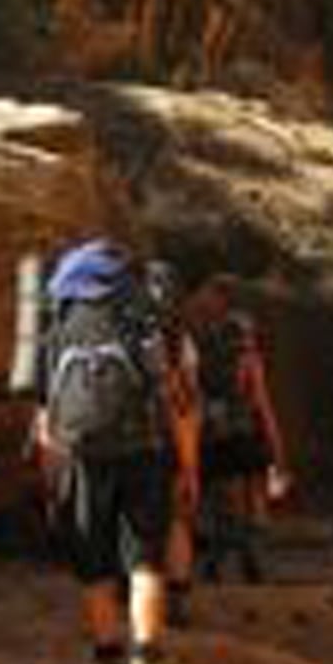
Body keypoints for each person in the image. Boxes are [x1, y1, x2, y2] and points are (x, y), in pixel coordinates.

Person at [32, 240, 176, 664]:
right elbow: (166, 386)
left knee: (94, 563)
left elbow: (44, 411)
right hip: (144, 447)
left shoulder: (58, 320)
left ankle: (107, 661)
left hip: (81, 454)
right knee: (145, 560)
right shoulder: (140, 310)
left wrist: (50, 476)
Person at [190, 275, 289, 586]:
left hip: (210, 432)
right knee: (252, 500)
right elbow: (261, 403)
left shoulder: (199, 352)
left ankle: (215, 563)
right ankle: (249, 560)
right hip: (243, 431)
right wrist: (278, 448)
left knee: (220, 502)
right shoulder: (247, 360)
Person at [146, 261, 203, 629]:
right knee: (177, 518)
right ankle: (178, 597)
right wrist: (190, 464)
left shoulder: (119, 328)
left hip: (122, 438)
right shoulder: (178, 340)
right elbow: (188, 403)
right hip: (166, 438)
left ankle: (136, 594)